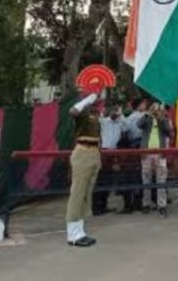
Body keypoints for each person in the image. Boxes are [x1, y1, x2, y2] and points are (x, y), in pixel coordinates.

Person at [65, 90, 103, 247]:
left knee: (86, 194)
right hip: (83, 151)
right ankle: (72, 234)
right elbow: (72, 111)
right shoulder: (82, 111)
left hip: (94, 152)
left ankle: (80, 231)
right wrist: (88, 99)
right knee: (78, 193)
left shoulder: (95, 115)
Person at [137, 102, 172, 217]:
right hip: (146, 153)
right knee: (146, 179)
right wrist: (148, 114)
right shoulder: (146, 118)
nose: (155, 111)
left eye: (157, 109)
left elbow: (168, 131)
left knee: (161, 180)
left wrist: (161, 118)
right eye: (154, 108)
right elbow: (138, 124)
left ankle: (162, 205)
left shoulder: (163, 118)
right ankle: (145, 204)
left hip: (160, 153)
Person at [93, 104, 126, 215]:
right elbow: (98, 119)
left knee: (109, 180)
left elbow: (128, 127)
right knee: (101, 179)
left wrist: (121, 116)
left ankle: (104, 204)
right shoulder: (104, 121)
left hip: (114, 152)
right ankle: (96, 207)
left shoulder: (120, 122)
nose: (114, 113)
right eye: (113, 110)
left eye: (116, 110)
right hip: (104, 151)